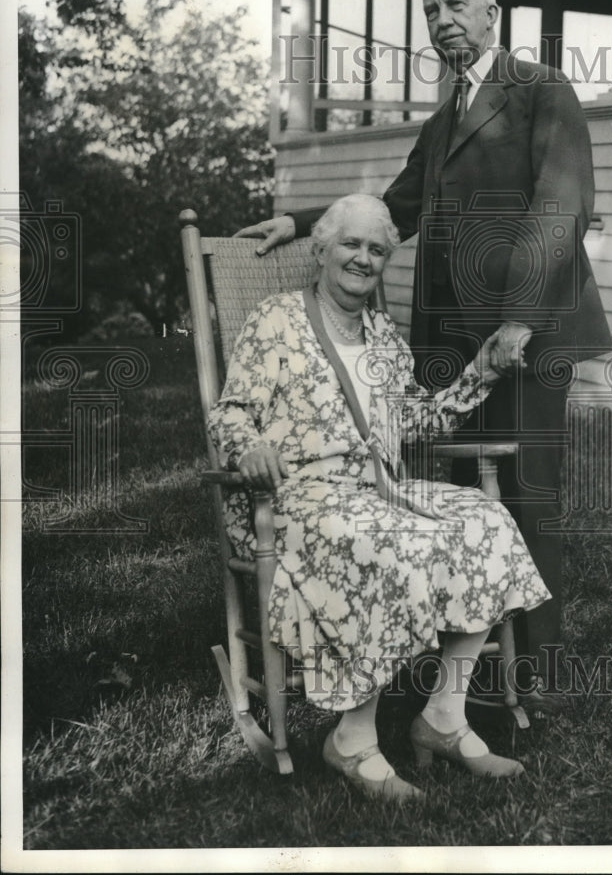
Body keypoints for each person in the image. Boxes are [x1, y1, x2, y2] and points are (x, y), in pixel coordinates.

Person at [236, 0, 612, 714]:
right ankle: (463, 669)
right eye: (431, 11)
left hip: (530, 334)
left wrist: (520, 318)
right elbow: (394, 206)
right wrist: (304, 222)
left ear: (491, 16)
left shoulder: (539, 90)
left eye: (456, 7)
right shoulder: (443, 120)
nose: (443, 21)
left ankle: (535, 675)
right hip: (454, 350)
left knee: (529, 494)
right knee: (467, 493)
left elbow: (559, 206)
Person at [208, 194, 551, 801]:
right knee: (384, 537)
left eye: (376, 250)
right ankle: (352, 740)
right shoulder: (277, 319)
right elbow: (231, 411)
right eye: (350, 244)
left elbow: (416, 422)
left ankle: (444, 716)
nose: (363, 259)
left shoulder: (385, 341)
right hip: (294, 497)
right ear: (321, 249)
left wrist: (483, 371)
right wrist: (251, 448)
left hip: (376, 488)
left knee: (485, 519)